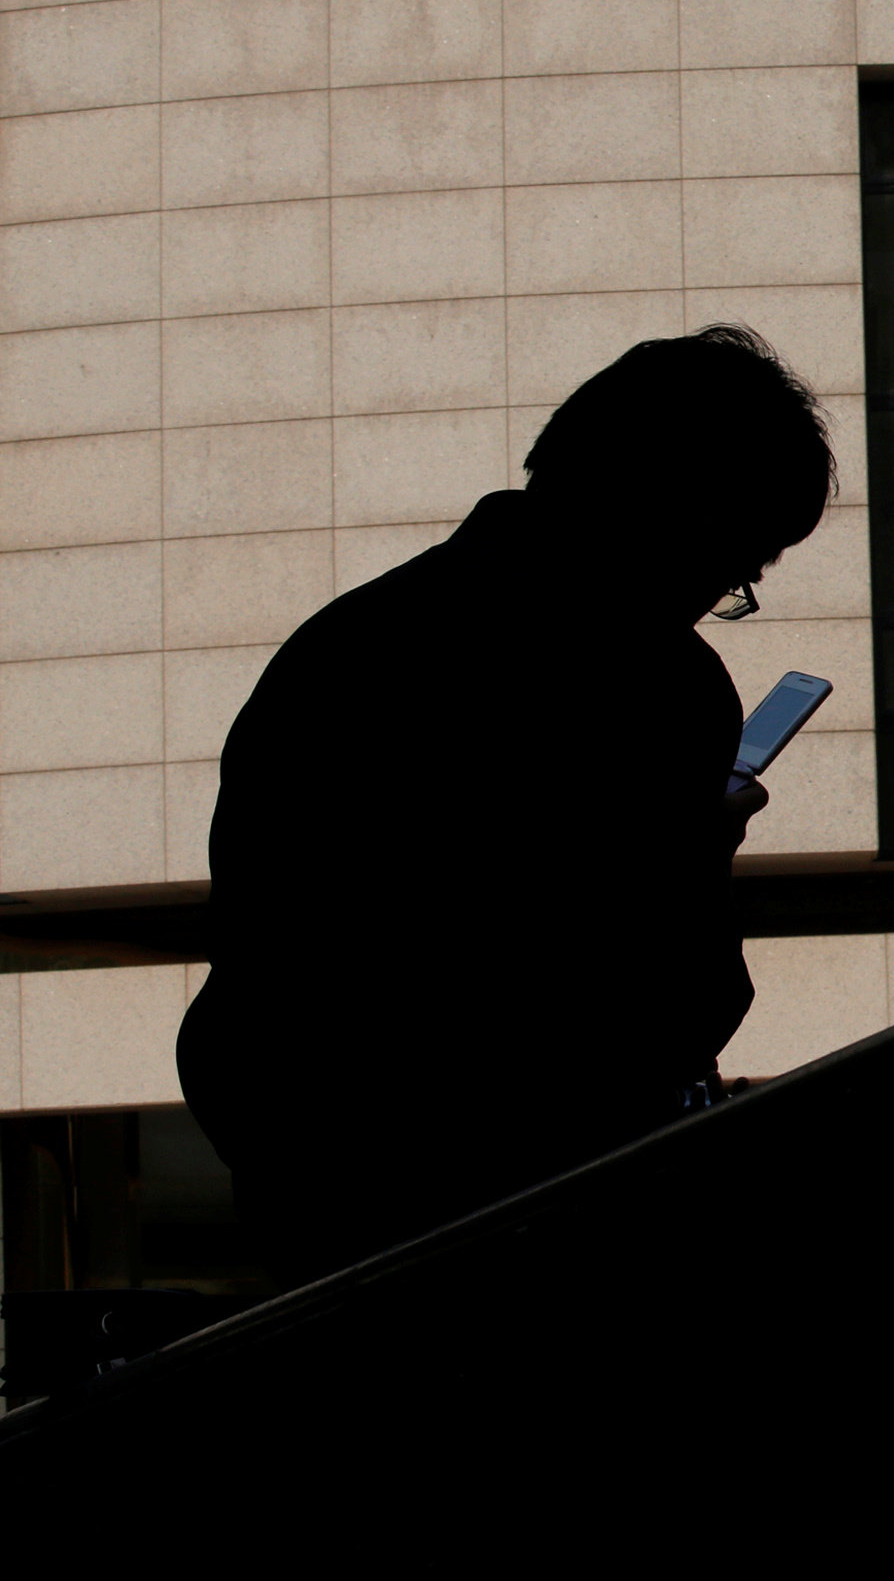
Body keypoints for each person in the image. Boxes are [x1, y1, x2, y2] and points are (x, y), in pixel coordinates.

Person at [177, 325, 835, 1284]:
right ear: (694, 521)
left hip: (316, 1208)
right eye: (741, 571)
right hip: (533, 1218)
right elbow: (666, 1006)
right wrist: (696, 855)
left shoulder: (341, 647)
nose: (717, 600)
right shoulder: (651, 680)